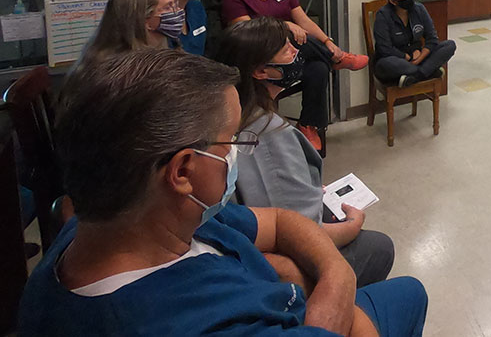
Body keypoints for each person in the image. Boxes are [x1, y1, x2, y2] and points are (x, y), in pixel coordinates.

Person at [19, 49, 427, 337]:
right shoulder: (177, 321)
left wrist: (313, 274)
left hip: (285, 299)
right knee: (411, 293)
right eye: (231, 141)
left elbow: (279, 221)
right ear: (182, 170)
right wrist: (336, 283)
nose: (235, 155)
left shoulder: (132, 218)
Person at [215, 17, 395, 287]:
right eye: (286, 49)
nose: (297, 52)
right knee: (380, 246)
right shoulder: (269, 135)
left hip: (261, 236)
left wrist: (304, 185)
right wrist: (353, 224)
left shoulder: (235, 112)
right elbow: (301, 235)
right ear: (262, 71)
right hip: (282, 258)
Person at [221, 0, 367, 149]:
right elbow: (249, 36)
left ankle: (307, 124)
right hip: (263, 62)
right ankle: (338, 59)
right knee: (296, 41)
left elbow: (304, 22)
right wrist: (285, 26)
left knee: (318, 68)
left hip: (291, 56)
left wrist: (327, 41)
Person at [373, 0, 456, 87]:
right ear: (393, 1)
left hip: (418, 56)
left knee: (449, 45)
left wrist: (419, 57)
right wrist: (408, 57)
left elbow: (432, 39)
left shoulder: (419, 9)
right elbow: (385, 48)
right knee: (387, 64)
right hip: (396, 60)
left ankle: (415, 76)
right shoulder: (383, 15)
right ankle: (428, 71)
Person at [81, 0, 183, 64]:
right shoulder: (117, 72)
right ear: (144, 19)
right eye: (168, 7)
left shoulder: (168, 52)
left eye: (174, 4)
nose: (177, 10)